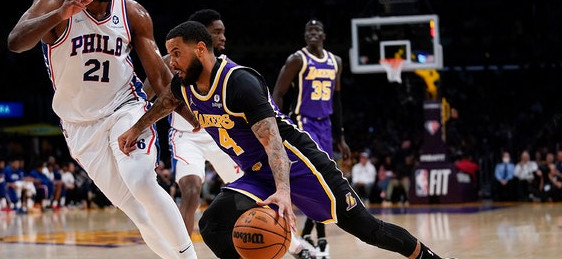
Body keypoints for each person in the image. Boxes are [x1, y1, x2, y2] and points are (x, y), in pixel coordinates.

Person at [118, 21, 453, 259]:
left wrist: (284, 191)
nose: (170, 62)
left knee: (369, 229)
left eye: (176, 53)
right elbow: (166, 102)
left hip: (301, 166)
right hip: (256, 174)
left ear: (201, 49)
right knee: (213, 224)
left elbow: (274, 141)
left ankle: (428, 257)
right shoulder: (183, 86)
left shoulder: (239, 82)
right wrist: (136, 129)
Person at [6, 0, 197, 258]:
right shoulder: (53, 1)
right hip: (80, 125)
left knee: (142, 182)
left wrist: (196, 119)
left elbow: (163, 80)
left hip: (125, 107)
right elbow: (15, 41)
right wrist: (59, 15)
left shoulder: (132, 12)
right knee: (138, 213)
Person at [143, 9, 243, 236]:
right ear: (201, 35)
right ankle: (184, 252)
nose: (223, 37)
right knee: (190, 191)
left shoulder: (223, 65)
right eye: (217, 32)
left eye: (223, 32)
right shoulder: (170, 62)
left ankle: (296, 247)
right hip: (186, 136)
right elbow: (142, 96)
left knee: (251, 191)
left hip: (219, 133)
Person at [272, 19, 351, 257]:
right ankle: (322, 240)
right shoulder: (297, 59)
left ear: (324, 35)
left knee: (325, 176)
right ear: (305, 36)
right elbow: (278, 93)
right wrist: (276, 126)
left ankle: (309, 233)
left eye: (317, 30)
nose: (313, 34)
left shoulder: (335, 62)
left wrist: (341, 136)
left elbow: (336, 102)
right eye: (309, 31)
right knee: (316, 177)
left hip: (325, 125)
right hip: (303, 122)